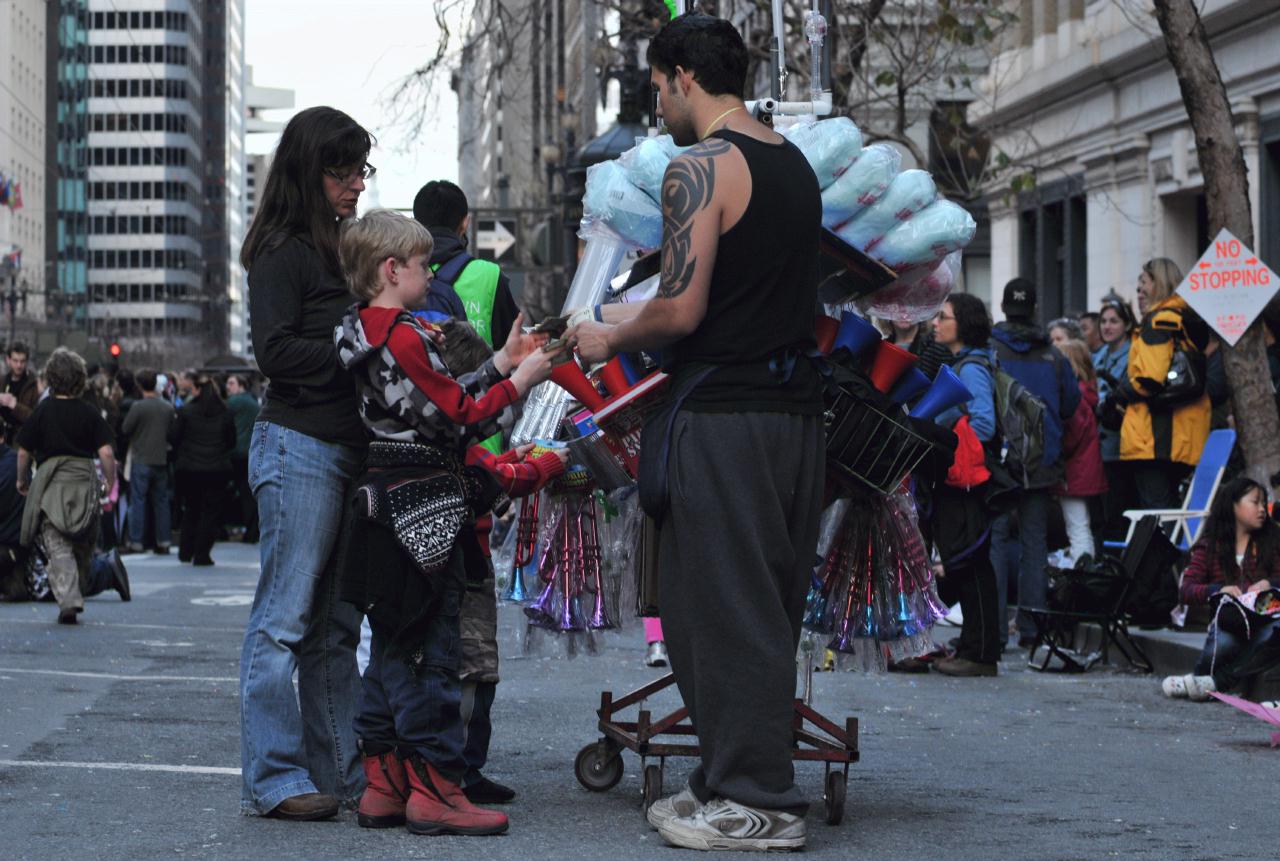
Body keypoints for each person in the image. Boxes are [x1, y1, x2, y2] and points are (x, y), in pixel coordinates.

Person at [569, 14, 824, 851]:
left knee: (723, 606)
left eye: (657, 83)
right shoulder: (793, 166)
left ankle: (759, 800)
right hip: (793, 417)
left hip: (725, 418)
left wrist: (607, 331)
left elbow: (683, 307)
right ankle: (725, 779)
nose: (657, 100)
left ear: (682, 75)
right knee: (756, 604)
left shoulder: (699, 166)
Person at [332, 208, 558, 836]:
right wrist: (520, 380)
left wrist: (499, 364)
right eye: (423, 264)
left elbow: (424, 398)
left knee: (390, 648)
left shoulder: (361, 330)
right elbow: (457, 414)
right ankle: (436, 789)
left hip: (380, 496)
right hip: (425, 502)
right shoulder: (404, 333)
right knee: (435, 649)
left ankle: (384, 783)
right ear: (391, 269)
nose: (431, 274)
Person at [238, 106, 376, 821]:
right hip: (299, 448)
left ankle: (341, 773)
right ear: (308, 171)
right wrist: (358, 349)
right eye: (342, 170)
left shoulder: (337, 249)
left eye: (361, 170)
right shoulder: (284, 249)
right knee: (286, 619)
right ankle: (274, 775)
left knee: (335, 627)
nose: (356, 184)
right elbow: (275, 352)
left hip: (341, 448)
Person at [433, 316, 569, 806]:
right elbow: (496, 478)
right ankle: (457, 772)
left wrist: (521, 459)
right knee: (471, 671)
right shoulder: (452, 448)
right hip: (464, 570)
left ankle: (469, 768)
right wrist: (542, 465)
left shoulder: (459, 441)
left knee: (482, 670)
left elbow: (495, 468)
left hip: (475, 566)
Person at [990, 278, 1080, 648]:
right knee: (1034, 543)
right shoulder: (1054, 356)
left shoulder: (992, 349)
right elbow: (1071, 404)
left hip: (1000, 459)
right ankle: (1031, 628)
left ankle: (992, 632)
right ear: (1034, 310)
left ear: (1004, 307)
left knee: (994, 541)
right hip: (1041, 458)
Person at [14, 348, 115, 625]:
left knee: (57, 542)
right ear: (80, 378)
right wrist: (109, 481)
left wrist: (22, 480)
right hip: (83, 481)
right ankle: (78, 587)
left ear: (50, 378)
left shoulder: (42, 411)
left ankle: (68, 601)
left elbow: (23, 451)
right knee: (83, 542)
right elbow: (106, 453)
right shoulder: (89, 411)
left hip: (52, 483)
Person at [929, 295, 1002, 677]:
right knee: (965, 561)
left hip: (968, 482)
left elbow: (984, 424)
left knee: (971, 562)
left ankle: (981, 653)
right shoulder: (962, 362)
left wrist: (949, 434)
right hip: (961, 481)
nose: (936, 323)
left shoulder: (972, 367)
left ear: (964, 323)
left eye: (944, 317)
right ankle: (973, 646)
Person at [1163, 478, 1280, 701]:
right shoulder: (1210, 544)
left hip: (1265, 619)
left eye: (1264, 504)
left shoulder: (1273, 540)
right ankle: (1203, 679)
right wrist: (1218, 590)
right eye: (1255, 502)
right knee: (1224, 644)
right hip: (1231, 621)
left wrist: (1270, 584)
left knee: (1274, 633)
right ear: (1233, 505)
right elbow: (1186, 590)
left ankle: (1213, 683)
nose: (1262, 509)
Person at [1118, 258, 1211, 511]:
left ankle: (1166, 553)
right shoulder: (1185, 320)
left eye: (1143, 285)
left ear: (1159, 284)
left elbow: (1150, 379)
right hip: (1185, 434)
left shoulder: (1158, 322)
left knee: (1158, 516)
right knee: (1178, 514)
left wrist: (1121, 392)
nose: (1139, 294)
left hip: (1156, 438)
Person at [412, 180, 520, 352]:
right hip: (483, 376)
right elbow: (512, 346)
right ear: (465, 223)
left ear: (415, 223)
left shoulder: (400, 273)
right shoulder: (489, 275)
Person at [170, 371, 235, 566]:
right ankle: (202, 552)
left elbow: (173, 437)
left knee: (191, 509)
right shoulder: (225, 412)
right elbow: (231, 441)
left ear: (197, 390)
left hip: (189, 468)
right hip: (216, 469)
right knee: (210, 513)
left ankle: (185, 550)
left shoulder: (186, 411)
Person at [1055, 340, 1106, 563]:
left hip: (1074, 472)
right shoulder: (1088, 393)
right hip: (1084, 469)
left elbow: (1070, 438)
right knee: (1080, 526)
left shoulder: (1075, 399)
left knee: (1078, 528)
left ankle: (1082, 577)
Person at [1093, 298, 1137, 540]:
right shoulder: (1097, 355)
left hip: (1122, 442)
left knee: (1119, 509)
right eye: (1104, 322)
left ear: (1127, 325)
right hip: (1098, 444)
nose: (1107, 327)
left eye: (1114, 321)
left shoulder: (1134, 354)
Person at [121, 369, 175, 554]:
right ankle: (164, 540)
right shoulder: (167, 407)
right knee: (161, 502)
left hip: (141, 457)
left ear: (140, 385)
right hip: (161, 458)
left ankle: (137, 541)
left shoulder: (138, 407)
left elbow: (126, 428)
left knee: (138, 501)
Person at [225, 374, 261, 543]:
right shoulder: (254, 403)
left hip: (235, 452)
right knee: (248, 492)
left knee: (235, 490)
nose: (228, 386)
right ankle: (252, 529)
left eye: (231, 383)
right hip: (250, 451)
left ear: (241, 386)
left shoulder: (234, 402)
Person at [0, 341, 39, 444]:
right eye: (15, 360)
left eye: (22, 361)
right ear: (8, 360)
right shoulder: (2, 381)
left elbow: (37, 418)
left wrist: (14, 405)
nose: (19, 365)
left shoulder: (34, 384)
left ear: (27, 362)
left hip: (21, 441)